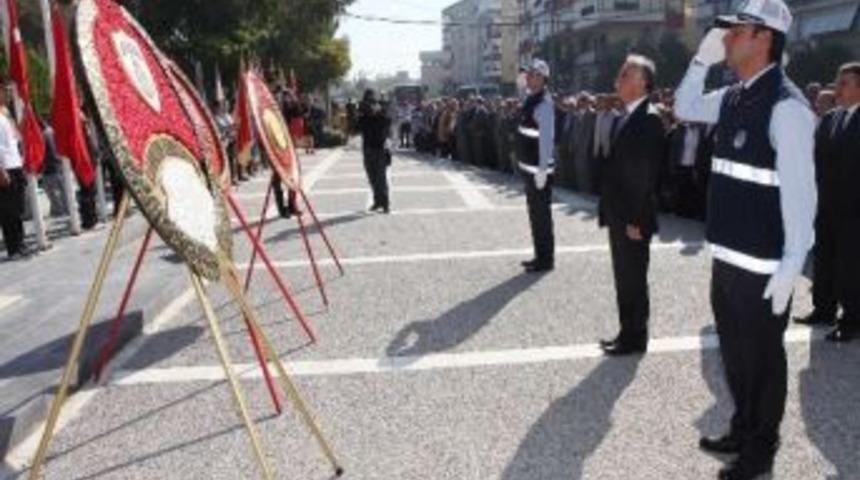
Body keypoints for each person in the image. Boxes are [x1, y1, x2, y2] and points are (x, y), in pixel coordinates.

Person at [675, 0, 817, 477]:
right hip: (728, 257)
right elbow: (683, 106)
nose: (728, 39)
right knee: (735, 357)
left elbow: (802, 197)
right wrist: (699, 62)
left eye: (737, 32)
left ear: (764, 39)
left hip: (762, 267)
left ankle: (761, 448)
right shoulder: (736, 94)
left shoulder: (786, 107)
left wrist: (792, 265)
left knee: (763, 361)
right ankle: (742, 426)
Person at [598, 55, 665, 356]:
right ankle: (626, 331)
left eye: (626, 73)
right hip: (618, 213)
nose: (619, 77)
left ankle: (636, 337)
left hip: (633, 218)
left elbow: (645, 176)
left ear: (643, 83)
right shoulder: (626, 115)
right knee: (623, 277)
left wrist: (638, 219)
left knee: (634, 278)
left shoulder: (649, 118)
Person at [794, 62, 860, 343]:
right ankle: (824, 308)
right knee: (825, 260)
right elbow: (816, 162)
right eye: (837, 80)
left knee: (851, 266)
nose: (837, 86)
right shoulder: (831, 118)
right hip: (827, 205)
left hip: (855, 209)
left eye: (845, 82)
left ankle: (853, 320)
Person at [516, 59, 556, 273]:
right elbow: (521, 88)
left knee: (541, 217)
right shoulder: (532, 99)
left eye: (532, 75)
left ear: (542, 78)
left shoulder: (544, 103)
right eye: (528, 75)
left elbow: (547, 141)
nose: (528, 78)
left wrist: (542, 169)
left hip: (538, 171)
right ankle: (540, 255)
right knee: (535, 216)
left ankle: (546, 259)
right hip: (529, 169)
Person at [0, 83, 29, 259]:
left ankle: (20, 243)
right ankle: (14, 248)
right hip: (5, 167)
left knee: (18, 208)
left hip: (15, 163)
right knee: (8, 211)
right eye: (4, 91)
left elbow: (14, 139)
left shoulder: (5, 113)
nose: (7, 94)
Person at [357, 89, 392, 213]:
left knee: (380, 177)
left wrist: (378, 112)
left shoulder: (381, 111)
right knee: (371, 176)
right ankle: (377, 201)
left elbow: (387, 122)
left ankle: (385, 202)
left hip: (380, 148)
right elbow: (357, 127)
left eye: (371, 100)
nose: (369, 104)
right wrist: (361, 114)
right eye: (367, 100)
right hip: (367, 147)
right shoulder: (363, 113)